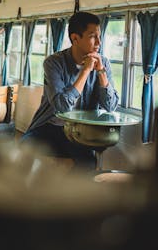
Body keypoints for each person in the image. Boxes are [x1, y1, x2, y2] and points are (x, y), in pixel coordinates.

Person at [22, 11, 119, 170]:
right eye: (92, 36)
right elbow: (62, 107)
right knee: (23, 150)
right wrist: (86, 71)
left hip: (79, 132)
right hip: (49, 126)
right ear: (75, 38)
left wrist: (101, 71)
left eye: (99, 36)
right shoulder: (53, 63)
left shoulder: (103, 63)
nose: (99, 43)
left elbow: (111, 105)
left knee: (87, 163)